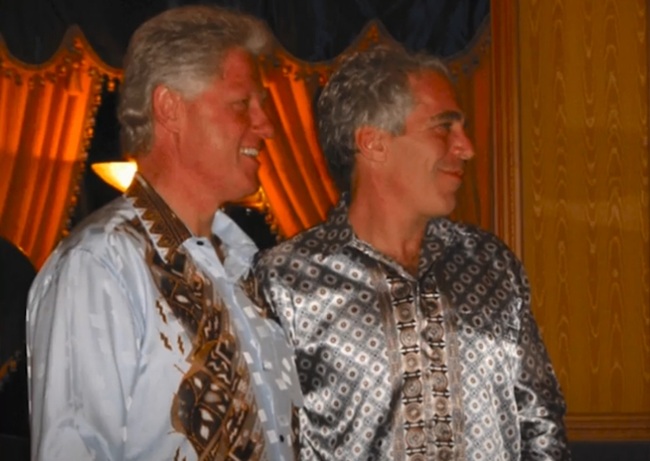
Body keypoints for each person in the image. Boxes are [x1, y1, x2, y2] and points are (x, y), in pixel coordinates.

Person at [254, 45, 571, 460]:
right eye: (443, 128)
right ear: (373, 143)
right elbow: (268, 439)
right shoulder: (284, 279)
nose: (467, 147)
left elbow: (542, 425)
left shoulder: (490, 263)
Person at [26, 5, 301, 461]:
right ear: (169, 108)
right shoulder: (102, 263)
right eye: (241, 104)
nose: (266, 126)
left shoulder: (243, 267)